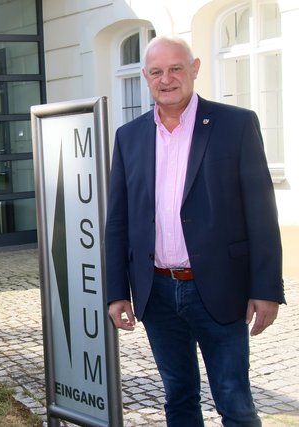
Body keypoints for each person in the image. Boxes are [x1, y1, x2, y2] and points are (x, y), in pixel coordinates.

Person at [105, 35, 285, 426]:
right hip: (156, 292)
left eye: (176, 69)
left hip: (219, 288)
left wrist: (266, 289)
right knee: (178, 397)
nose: (166, 79)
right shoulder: (129, 137)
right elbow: (118, 221)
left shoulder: (235, 124)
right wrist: (117, 292)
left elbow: (261, 212)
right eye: (156, 71)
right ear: (145, 76)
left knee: (234, 401)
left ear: (195, 69)